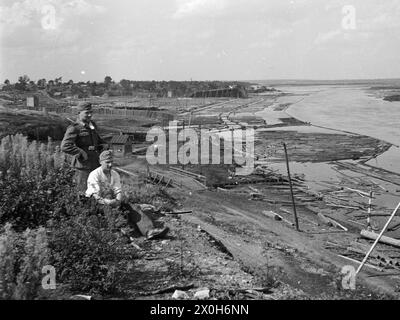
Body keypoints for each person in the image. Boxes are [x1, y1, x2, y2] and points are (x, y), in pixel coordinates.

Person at [86, 150, 169, 240]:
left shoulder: (114, 174)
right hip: (97, 203)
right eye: (107, 162)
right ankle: (120, 236)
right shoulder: (94, 175)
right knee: (110, 211)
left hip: (112, 201)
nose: (110, 165)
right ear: (100, 162)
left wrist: (117, 200)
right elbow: (95, 196)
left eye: (111, 162)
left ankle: (149, 231)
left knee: (134, 208)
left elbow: (118, 190)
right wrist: (109, 202)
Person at [61, 102, 107, 192]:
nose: (90, 115)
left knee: (96, 191)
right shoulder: (74, 128)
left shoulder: (92, 127)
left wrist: (104, 145)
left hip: (95, 164)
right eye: (86, 112)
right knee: (83, 192)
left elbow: (98, 140)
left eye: (91, 112)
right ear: (79, 113)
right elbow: (65, 146)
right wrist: (80, 152)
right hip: (82, 166)